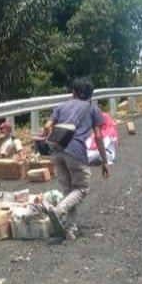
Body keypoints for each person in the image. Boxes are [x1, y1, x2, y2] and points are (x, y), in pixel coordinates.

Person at [43, 77, 109, 241]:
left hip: (57, 151)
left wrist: (51, 141)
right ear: (90, 94)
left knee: (69, 191)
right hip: (76, 152)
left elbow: (46, 126)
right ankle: (59, 211)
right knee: (81, 189)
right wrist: (105, 160)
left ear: (73, 92)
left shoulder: (61, 106)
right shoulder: (93, 109)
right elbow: (99, 136)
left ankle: (70, 229)